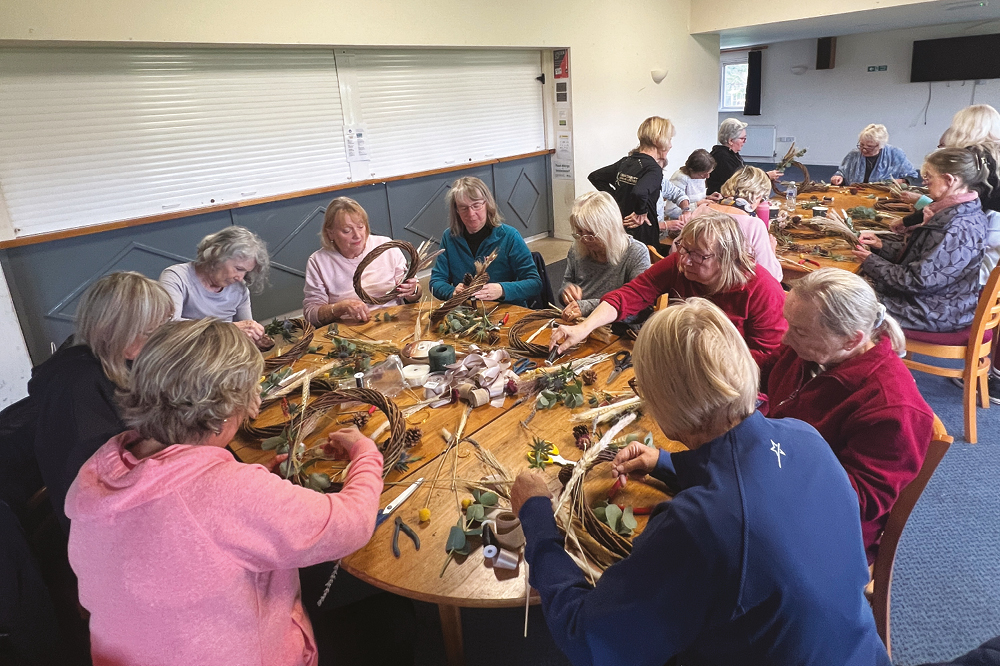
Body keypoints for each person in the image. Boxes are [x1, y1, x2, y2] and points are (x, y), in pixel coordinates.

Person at [511, 299, 890, 666]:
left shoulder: (697, 526)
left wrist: (537, 518)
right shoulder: (803, 437)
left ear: (668, 412)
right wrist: (665, 463)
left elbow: (588, 641)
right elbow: (752, 485)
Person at [65, 319, 385, 666]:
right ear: (220, 414)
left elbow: (192, 523)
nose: (255, 402)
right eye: (251, 393)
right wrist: (366, 454)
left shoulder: (99, 470)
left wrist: (260, 490)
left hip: (131, 653)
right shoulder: (228, 491)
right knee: (387, 619)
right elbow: (351, 524)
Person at [762, 268, 934, 565]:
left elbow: (856, 502)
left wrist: (767, 473)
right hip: (775, 474)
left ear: (851, 340)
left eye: (799, 331)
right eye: (789, 324)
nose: (786, 338)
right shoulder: (812, 351)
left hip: (825, 531)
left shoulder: (892, 407)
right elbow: (766, 371)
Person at [29, 271, 173, 533]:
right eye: (154, 331)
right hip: (107, 527)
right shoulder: (78, 388)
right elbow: (114, 476)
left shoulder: (106, 359)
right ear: (122, 334)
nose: (161, 339)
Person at [550, 212, 786, 365]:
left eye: (698, 255)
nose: (685, 260)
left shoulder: (763, 290)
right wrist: (584, 327)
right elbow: (630, 294)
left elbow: (768, 359)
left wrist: (704, 359)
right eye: (683, 248)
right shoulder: (681, 265)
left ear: (727, 258)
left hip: (731, 380)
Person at [854, 148, 988, 333]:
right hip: (941, 300)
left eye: (929, 178)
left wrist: (870, 262)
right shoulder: (960, 210)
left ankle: (877, 358)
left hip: (935, 310)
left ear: (949, 180)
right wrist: (882, 246)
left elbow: (917, 281)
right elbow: (925, 258)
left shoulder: (957, 226)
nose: (925, 184)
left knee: (845, 303)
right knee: (851, 290)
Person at [302, 197, 420, 325]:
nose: (357, 235)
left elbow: (415, 293)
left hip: (393, 320)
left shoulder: (386, 246)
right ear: (330, 233)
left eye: (360, 227)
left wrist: (412, 290)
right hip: (348, 329)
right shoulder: (319, 261)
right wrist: (340, 308)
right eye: (347, 230)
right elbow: (311, 314)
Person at [429, 176, 541, 307]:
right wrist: (452, 292)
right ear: (456, 210)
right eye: (464, 208)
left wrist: (502, 290)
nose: (471, 214)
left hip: (506, 312)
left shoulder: (510, 236)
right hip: (466, 313)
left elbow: (535, 283)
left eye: (476, 206)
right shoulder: (449, 237)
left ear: (487, 204)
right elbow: (436, 282)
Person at [159, 225, 271, 347]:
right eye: (238, 269)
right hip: (185, 356)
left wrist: (256, 336)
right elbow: (168, 327)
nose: (240, 277)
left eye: (246, 272)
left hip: (223, 355)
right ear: (216, 254)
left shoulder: (239, 289)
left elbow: (246, 330)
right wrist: (228, 328)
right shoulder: (176, 277)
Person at [559, 191, 651, 321]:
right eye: (579, 231)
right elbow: (566, 283)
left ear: (610, 229)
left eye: (591, 234)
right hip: (578, 320)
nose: (584, 239)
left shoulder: (635, 252)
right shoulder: (577, 248)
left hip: (617, 326)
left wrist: (586, 307)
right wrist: (566, 292)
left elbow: (637, 305)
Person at [587, 116, 675, 248]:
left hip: (622, 226)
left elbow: (595, 177)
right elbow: (639, 192)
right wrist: (641, 212)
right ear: (658, 140)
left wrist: (617, 197)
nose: (670, 145)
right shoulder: (653, 169)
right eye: (669, 139)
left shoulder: (626, 162)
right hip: (643, 231)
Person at [697, 166, 782, 281]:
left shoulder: (702, 210)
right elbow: (773, 276)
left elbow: (675, 252)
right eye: (761, 199)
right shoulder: (754, 225)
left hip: (695, 287)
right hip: (733, 291)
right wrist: (771, 251)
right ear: (757, 196)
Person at [705, 118, 782, 195]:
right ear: (730, 141)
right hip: (722, 198)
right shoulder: (722, 157)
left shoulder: (730, 153)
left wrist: (765, 177)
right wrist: (766, 176)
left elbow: (744, 175)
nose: (745, 141)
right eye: (742, 138)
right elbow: (740, 183)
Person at [830, 124, 919, 185]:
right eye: (861, 145)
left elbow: (911, 177)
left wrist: (898, 182)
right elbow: (842, 173)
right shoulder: (853, 155)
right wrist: (838, 178)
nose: (864, 150)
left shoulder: (895, 154)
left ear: (880, 145)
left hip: (885, 198)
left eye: (869, 147)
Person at [662, 148, 716, 220]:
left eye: (709, 173)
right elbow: (671, 211)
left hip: (698, 218)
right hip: (682, 223)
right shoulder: (680, 178)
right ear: (692, 170)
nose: (707, 177)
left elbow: (693, 198)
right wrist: (697, 204)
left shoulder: (699, 176)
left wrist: (708, 197)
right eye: (703, 174)